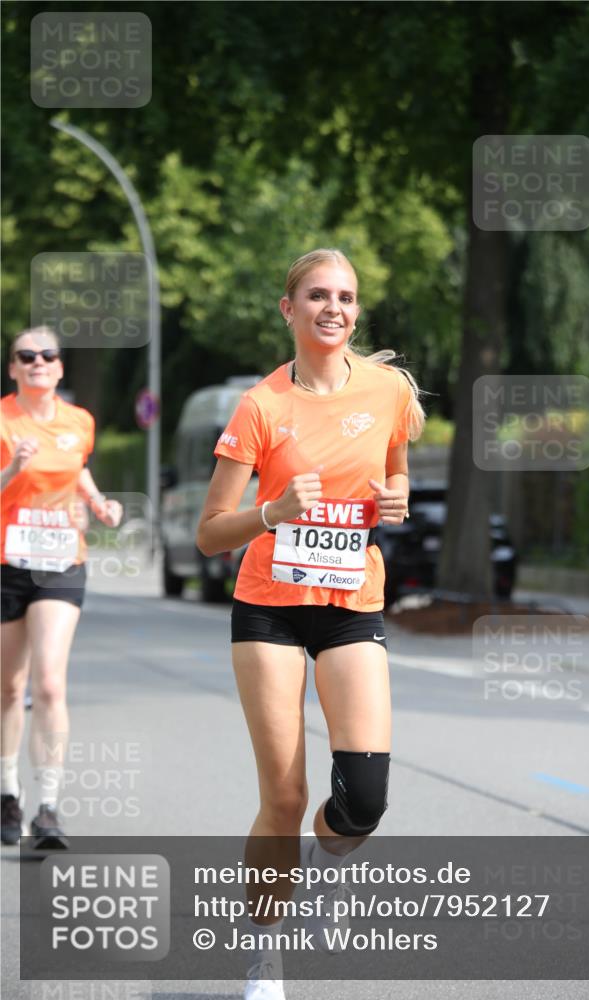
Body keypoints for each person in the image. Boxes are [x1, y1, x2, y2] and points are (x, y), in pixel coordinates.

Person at [197, 248, 424, 999]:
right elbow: (209, 532)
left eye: (346, 297)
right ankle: (265, 957)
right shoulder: (261, 405)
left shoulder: (387, 390)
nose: (334, 308)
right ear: (288, 309)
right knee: (286, 798)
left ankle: (321, 884)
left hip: (350, 604)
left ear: (356, 312)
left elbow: (393, 469)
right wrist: (273, 512)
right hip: (268, 610)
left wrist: (394, 496)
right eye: (318, 295)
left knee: (364, 799)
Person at [1, 326, 122, 848]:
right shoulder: (3, 419)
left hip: (60, 560)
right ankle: (8, 793)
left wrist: (99, 504)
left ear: (60, 367)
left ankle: (48, 808)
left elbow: (78, 470)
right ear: (13, 369)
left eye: (47, 355)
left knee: (49, 683)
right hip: (7, 561)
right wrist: (13, 469)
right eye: (26, 356)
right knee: (8, 687)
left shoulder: (80, 422)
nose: (38, 362)